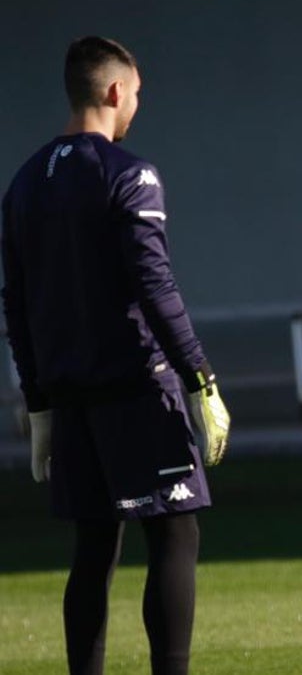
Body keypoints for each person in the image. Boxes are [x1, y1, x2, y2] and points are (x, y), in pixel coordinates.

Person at [1, 36, 231, 675]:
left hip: (71, 399)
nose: (136, 107)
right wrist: (201, 381)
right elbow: (155, 287)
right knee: (176, 531)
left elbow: (14, 305)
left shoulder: (22, 185)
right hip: (136, 389)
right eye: (135, 94)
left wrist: (39, 403)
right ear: (113, 92)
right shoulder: (130, 174)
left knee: (94, 545)